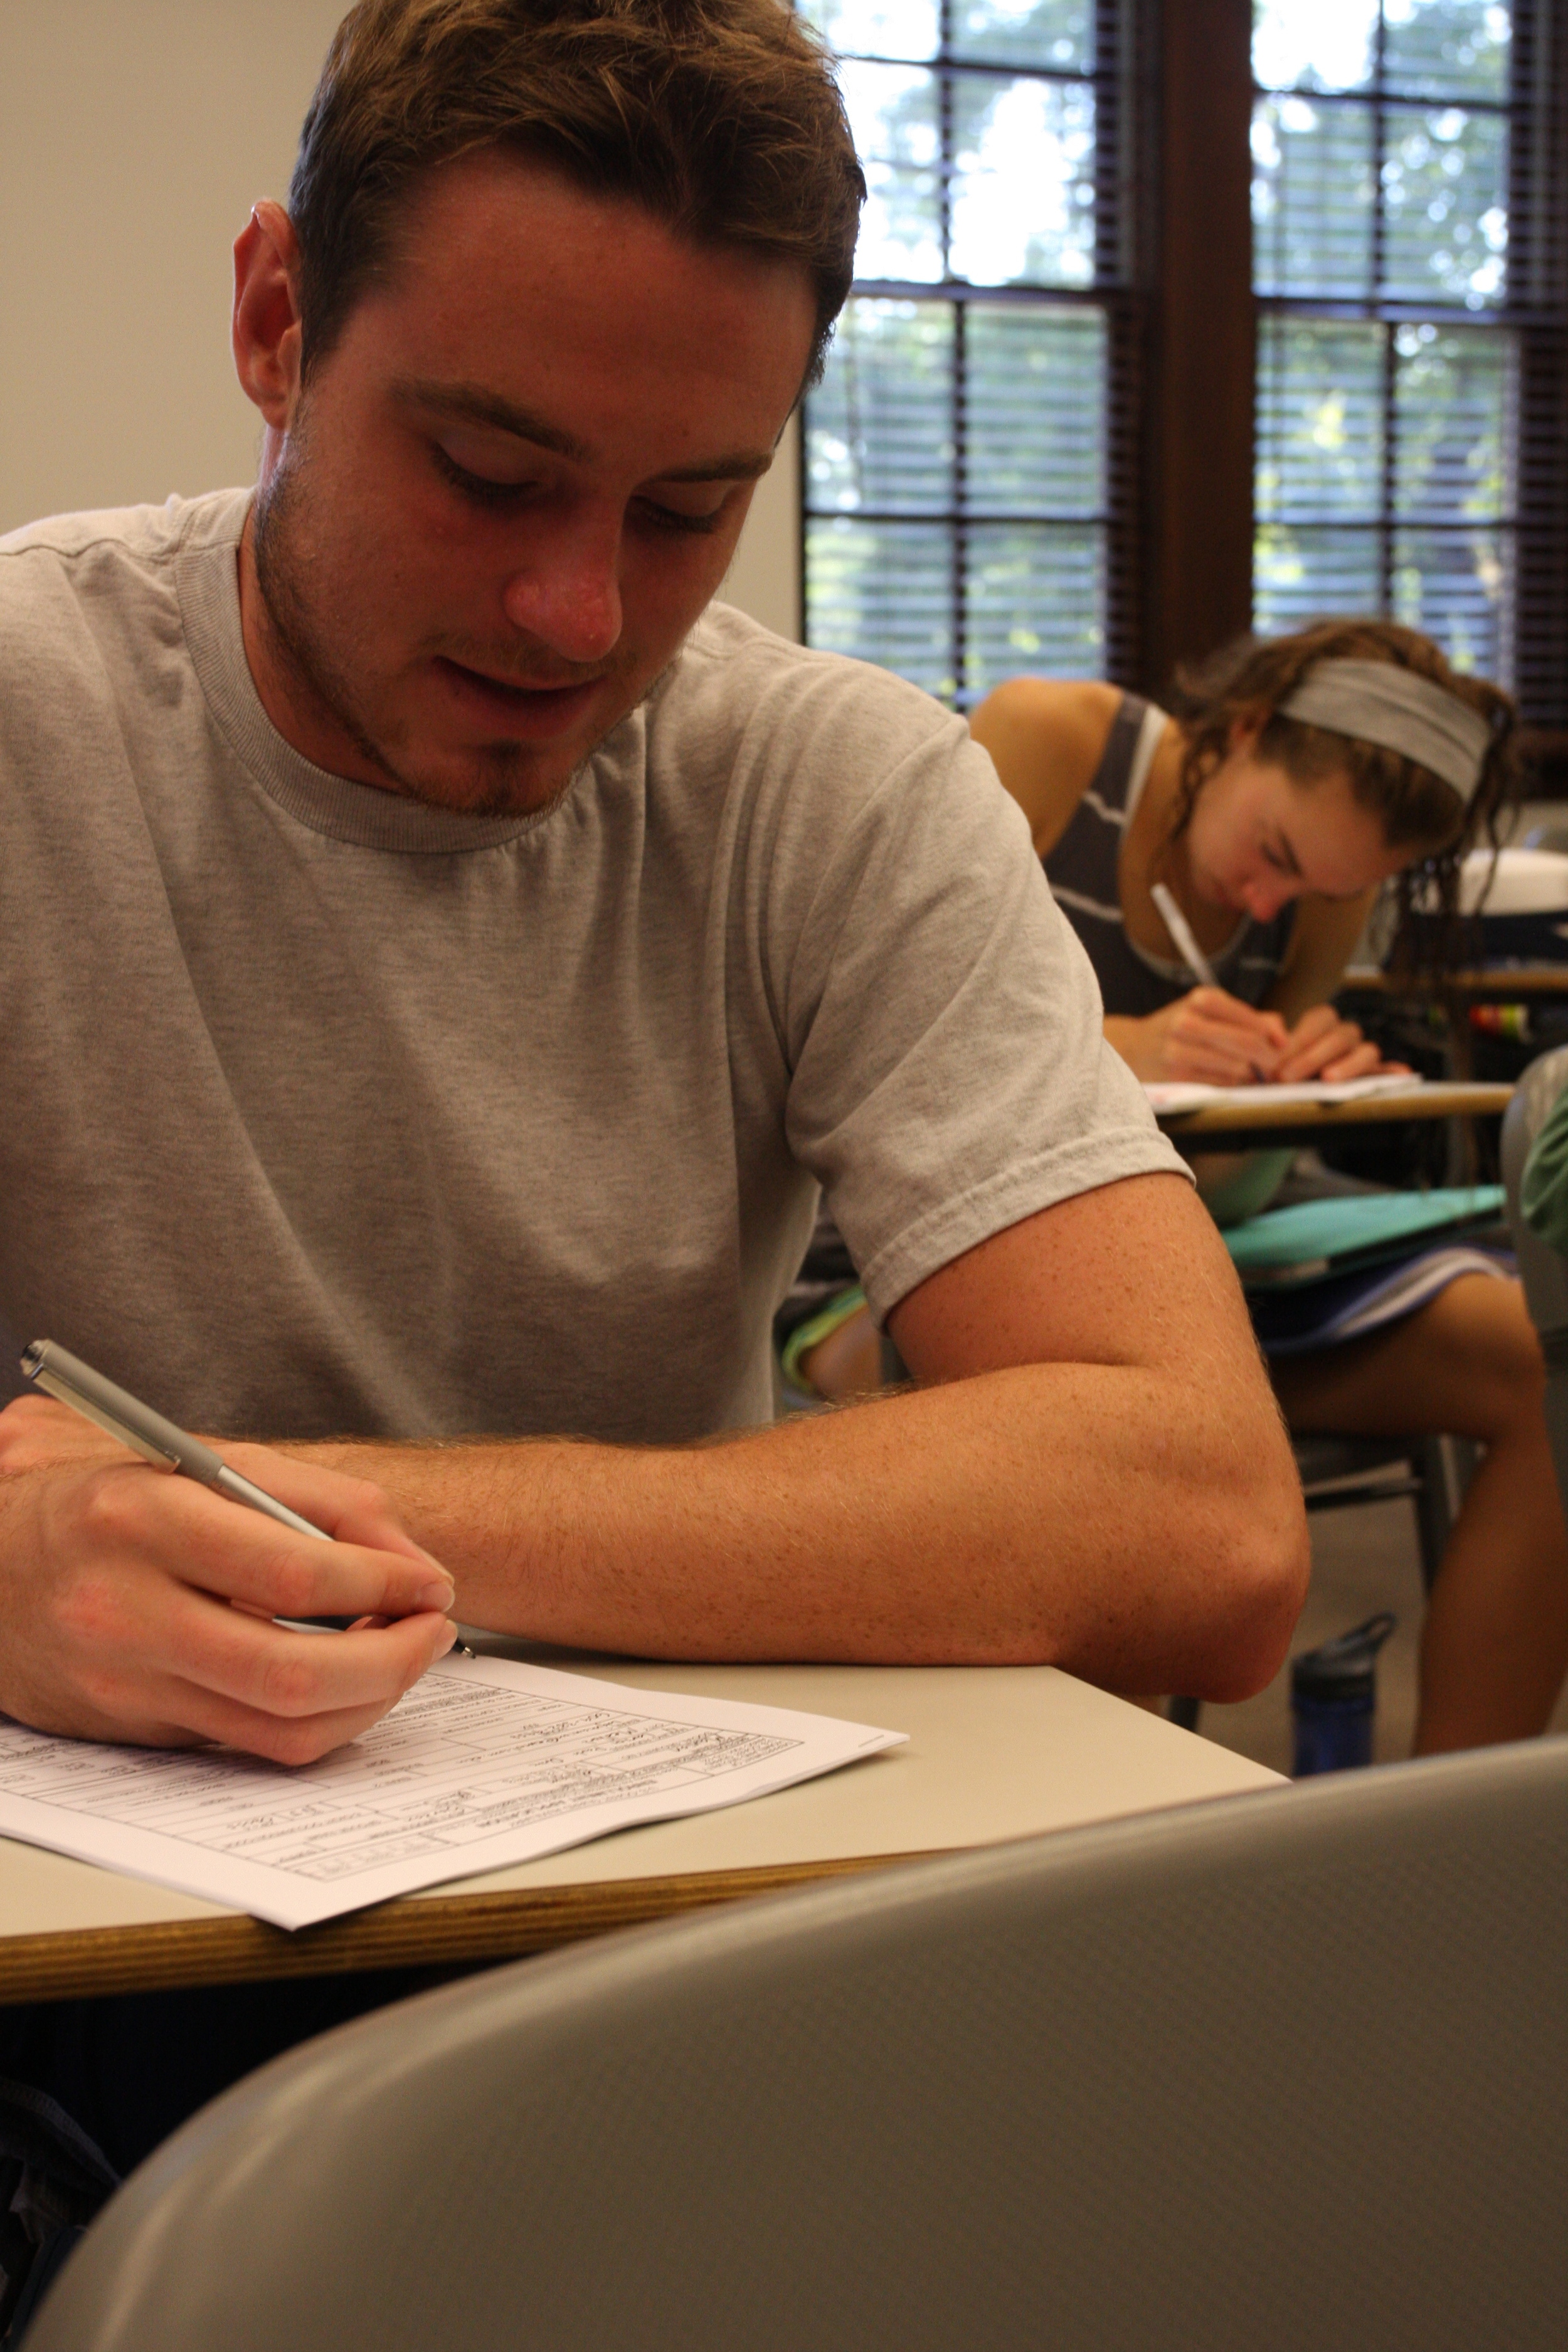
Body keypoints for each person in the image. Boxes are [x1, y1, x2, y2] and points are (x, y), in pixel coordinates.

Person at [0, 0, 1306, 1770]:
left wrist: (318, 1512)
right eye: (486, 474)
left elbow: (1206, 1528)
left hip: (649, 1889)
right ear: (273, 319)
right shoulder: (30, 714)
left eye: (690, 508)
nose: (580, 615)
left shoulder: (829, 785)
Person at [963, 622, 1568, 1754]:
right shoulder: (1047, 742)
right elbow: (881, 1044)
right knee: (1125, 1419)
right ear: (1241, 731)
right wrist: (1120, 1044)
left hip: (1202, 1253)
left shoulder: (1316, 894)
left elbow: (1229, 1165)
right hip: (956, 1261)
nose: (1272, 899)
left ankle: (1457, 1849)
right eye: (1276, 851)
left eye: (1324, 887)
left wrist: (1305, 1082)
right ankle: (1082, 1874)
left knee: (1548, 1362)